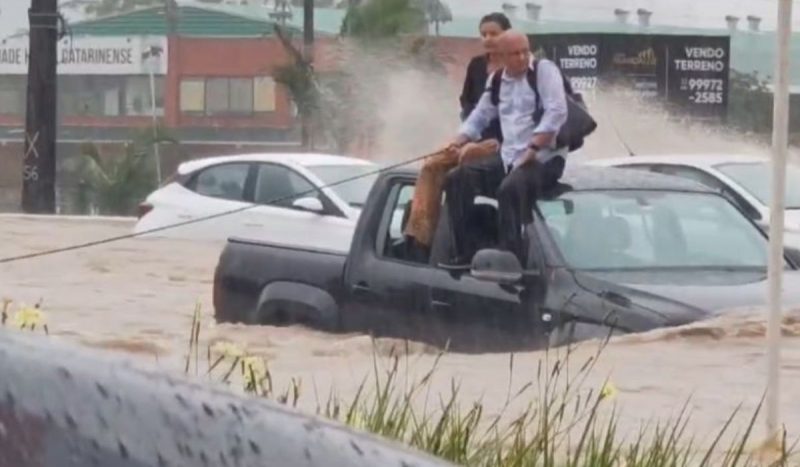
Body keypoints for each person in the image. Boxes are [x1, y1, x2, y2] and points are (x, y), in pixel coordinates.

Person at [441, 30, 569, 269]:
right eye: (514, 54)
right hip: (510, 157)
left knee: (509, 191)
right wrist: (458, 140)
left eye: (524, 51)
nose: (521, 58)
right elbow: (480, 115)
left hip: (543, 158)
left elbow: (557, 112)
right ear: (501, 57)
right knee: (457, 179)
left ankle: (510, 261)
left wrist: (534, 147)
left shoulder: (544, 71)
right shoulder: (497, 81)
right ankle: (466, 252)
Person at [401, 12, 511, 251]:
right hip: (472, 138)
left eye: (494, 33)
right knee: (432, 164)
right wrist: (459, 139)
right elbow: (469, 106)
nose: (488, 39)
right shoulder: (477, 66)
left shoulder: (518, 69)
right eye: (484, 34)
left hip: (503, 146)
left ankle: (461, 241)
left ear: (508, 35)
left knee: (465, 161)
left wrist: (493, 142)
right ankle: (420, 237)